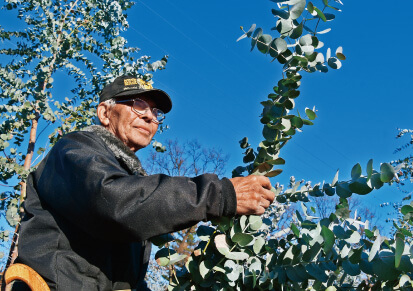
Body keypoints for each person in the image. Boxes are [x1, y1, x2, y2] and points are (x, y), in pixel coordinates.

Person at [15, 75, 275, 290]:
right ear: (104, 113)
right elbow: (114, 202)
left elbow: (127, 279)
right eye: (138, 104)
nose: (150, 117)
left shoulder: (130, 179)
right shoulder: (75, 149)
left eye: (155, 111)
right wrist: (220, 194)